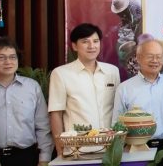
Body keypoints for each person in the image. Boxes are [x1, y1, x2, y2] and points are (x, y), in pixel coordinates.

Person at [48, 22, 120, 152]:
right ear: (74, 46)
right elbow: (56, 114)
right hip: (77, 150)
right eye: (85, 42)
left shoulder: (112, 71)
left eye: (96, 41)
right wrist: (60, 150)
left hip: (110, 148)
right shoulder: (61, 74)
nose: (92, 46)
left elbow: (118, 109)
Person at [112, 38, 163, 166]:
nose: (155, 60)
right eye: (150, 56)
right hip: (136, 149)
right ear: (138, 58)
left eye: (158, 57)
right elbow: (117, 125)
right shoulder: (125, 88)